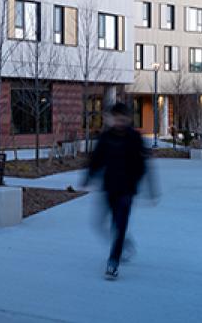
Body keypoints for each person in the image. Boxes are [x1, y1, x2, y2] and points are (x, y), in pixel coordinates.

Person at [82, 101, 154, 280]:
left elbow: (144, 165)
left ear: (128, 119)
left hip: (127, 190)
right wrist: (88, 177)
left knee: (120, 225)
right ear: (112, 119)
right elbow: (96, 160)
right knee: (101, 224)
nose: (120, 123)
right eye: (116, 119)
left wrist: (149, 189)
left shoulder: (134, 138)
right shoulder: (105, 138)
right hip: (109, 188)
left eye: (123, 119)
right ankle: (124, 243)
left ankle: (113, 262)